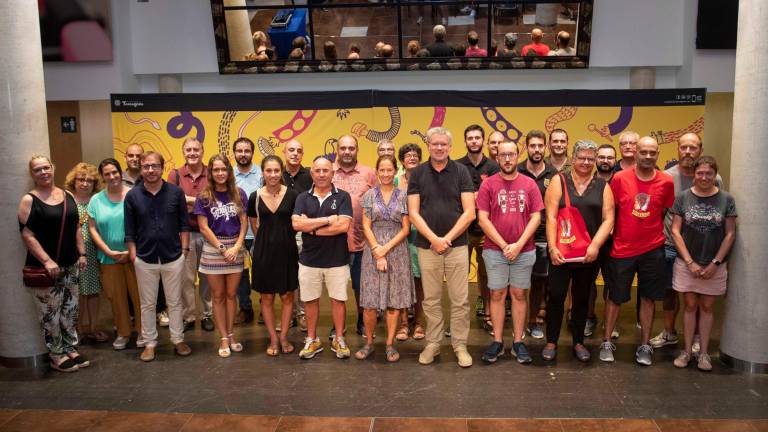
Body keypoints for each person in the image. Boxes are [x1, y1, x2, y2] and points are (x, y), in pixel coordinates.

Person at [599, 137, 674, 366]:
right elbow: (611, 211)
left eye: (652, 152)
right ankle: (606, 341)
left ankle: (644, 345)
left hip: (653, 249)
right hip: (623, 248)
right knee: (615, 297)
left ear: (658, 154)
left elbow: (662, 212)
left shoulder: (667, 181)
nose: (648, 156)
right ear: (636, 153)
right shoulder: (620, 179)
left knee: (648, 298)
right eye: (644, 152)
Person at [408, 127, 476, 368]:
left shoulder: (462, 172)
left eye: (443, 144)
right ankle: (433, 343)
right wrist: (434, 240)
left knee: (460, 300)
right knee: (431, 299)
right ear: (428, 145)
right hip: (427, 247)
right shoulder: (416, 173)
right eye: (434, 144)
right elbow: (413, 213)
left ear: (450, 147)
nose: (439, 148)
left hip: (457, 246)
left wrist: (446, 238)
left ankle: (460, 345)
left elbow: (470, 212)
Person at [543, 140, 614, 362]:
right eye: (582, 157)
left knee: (582, 298)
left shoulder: (603, 186)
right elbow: (551, 216)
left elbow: (609, 219)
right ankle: (551, 341)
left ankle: (578, 342)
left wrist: (595, 246)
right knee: (555, 296)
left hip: (587, 254)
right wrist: (553, 247)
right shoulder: (558, 180)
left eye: (590, 158)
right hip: (560, 253)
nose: (586, 162)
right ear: (573, 159)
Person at [652, 133, 722, 351]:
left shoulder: (713, 178)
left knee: (700, 294)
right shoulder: (665, 177)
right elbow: (659, 212)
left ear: (700, 149)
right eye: (684, 147)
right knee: (669, 291)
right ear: (677, 149)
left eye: (693, 148)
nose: (688, 152)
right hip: (671, 244)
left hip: (701, 246)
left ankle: (699, 337)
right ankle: (669, 332)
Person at [18, 155, 88, 372]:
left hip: (71, 264)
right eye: (37, 170)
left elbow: (75, 226)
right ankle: (56, 354)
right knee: (50, 313)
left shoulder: (67, 196)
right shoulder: (30, 200)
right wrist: (47, 260)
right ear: (32, 174)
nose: (43, 172)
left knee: (70, 309)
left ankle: (70, 347)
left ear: (53, 168)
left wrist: (82, 253)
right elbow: (27, 235)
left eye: (46, 167)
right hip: (45, 268)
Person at [477, 142, 543, 364]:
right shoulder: (488, 185)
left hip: (524, 251)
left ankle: (517, 342)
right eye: (502, 154)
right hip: (495, 251)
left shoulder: (530, 184)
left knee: (519, 294)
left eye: (511, 154)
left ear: (518, 156)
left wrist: (518, 244)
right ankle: (497, 341)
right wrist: (505, 244)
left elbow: (536, 217)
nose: (507, 159)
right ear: (497, 157)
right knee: (496, 295)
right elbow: (482, 218)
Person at [670, 156, 736, 372]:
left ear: (715, 174)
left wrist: (715, 263)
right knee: (689, 306)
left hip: (714, 265)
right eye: (700, 173)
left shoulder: (726, 199)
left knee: (707, 307)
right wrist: (690, 262)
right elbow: (675, 231)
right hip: (687, 262)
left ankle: (704, 353)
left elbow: (730, 234)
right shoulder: (682, 197)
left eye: (709, 173)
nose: (704, 177)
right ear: (695, 175)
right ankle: (687, 351)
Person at [125, 151, 192, 362]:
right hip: (144, 258)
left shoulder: (175, 193)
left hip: (174, 256)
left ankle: (178, 339)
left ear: (163, 168)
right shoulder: (132, 196)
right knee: (147, 304)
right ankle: (150, 343)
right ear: (141, 168)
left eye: (155, 166)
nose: (151, 170)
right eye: (146, 166)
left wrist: (184, 251)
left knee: (175, 302)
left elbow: (184, 224)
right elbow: (129, 229)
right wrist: (134, 255)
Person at [292, 157, 353, 360]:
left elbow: (343, 226)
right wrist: (327, 220)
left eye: (325, 170)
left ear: (332, 173)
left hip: (337, 260)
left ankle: (339, 338)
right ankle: (312, 339)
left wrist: (312, 227)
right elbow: (297, 225)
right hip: (309, 260)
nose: (321, 174)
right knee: (310, 301)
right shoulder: (302, 198)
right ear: (312, 174)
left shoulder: (343, 197)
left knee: (338, 300)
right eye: (317, 170)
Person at [356, 155, 415, 362]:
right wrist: (376, 250)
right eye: (382, 170)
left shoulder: (403, 196)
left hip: (397, 251)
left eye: (390, 170)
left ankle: (389, 344)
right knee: (370, 302)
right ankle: (370, 342)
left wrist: (385, 249)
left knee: (393, 300)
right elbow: (365, 225)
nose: (386, 174)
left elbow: (406, 228)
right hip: (372, 250)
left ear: (395, 171)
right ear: (377, 171)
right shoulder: (369, 196)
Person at [193, 154, 248, 357]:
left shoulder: (239, 193)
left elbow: (244, 222)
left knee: (232, 295)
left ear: (229, 171)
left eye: (223, 169)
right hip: (214, 250)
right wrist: (222, 248)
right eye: (216, 169)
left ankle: (232, 333)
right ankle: (223, 337)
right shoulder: (204, 196)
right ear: (211, 172)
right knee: (218, 296)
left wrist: (238, 246)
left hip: (235, 248)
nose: (220, 173)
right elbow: (203, 226)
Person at [88, 159, 142, 350]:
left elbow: (142, 225)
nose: (112, 177)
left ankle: (144, 332)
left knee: (140, 296)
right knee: (116, 298)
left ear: (121, 173)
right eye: (107, 174)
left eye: (115, 172)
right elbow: (92, 228)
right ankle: (123, 333)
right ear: (102, 177)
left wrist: (131, 251)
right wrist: (108, 251)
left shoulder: (134, 195)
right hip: (109, 257)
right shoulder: (96, 200)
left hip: (135, 255)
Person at [249, 155, 299, 356]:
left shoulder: (294, 195)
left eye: (276, 171)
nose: (272, 175)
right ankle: (273, 338)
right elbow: (255, 225)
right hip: (264, 252)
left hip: (287, 251)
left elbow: (297, 224)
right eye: (268, 171)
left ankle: (284, 336)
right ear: (263, 172)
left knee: (288, 296)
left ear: (282, 172)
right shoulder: (255, 196)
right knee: (266, 297)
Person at [168, 137, 214, 332]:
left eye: (196, 149)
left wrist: (186, 200)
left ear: (202, 151)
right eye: (189, 150)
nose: (192, 153)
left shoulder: (212, 173)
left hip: (208, 233)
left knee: (207, 277)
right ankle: (188, 316)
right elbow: (171, 201)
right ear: (183, 152)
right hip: (184, 235)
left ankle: (207, 314)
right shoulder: (175, 175)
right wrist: (199, 200)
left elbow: (214, 201)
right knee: (186, 278)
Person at [333, 135, 376, 337]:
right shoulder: (328, 172)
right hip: (333, 242)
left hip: (362, 242)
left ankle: (361, 320)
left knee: (360, 286)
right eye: (343, 148)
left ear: (357, 150)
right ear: (337, 149)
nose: (347, 151)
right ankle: (338, 324)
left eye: (351, 148)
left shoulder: (369, 173)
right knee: (336, 287)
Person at [457, 125, 499, 330]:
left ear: (483, 141)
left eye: (477, 138)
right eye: (470, 138)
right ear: (465, 141)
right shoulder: (456, 166)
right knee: (459, 276)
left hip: (486, 230)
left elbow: (496, 197)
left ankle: (489, 316)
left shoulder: (493, 167)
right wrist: (476, 197)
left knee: (486, 275)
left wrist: (475, 197)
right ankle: (459, 320)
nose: (474, 141)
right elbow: (454, 197)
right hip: (462, 230)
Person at [518, 130, 557, 339]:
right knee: (519, 286)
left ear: (545, 148)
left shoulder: (554, 174)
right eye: (532, 146)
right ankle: (521, 324)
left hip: (544, 238)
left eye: (540, 146)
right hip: (520, 240)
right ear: (527, 147)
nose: (536, 150)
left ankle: (534, 323)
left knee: (542, 285)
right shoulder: (516, 171)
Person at [65, 163, 107, 344]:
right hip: (71, 252)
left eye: (90, 180)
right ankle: (78, 328)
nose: (85, 183)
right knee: (77, 292)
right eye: (81, 179)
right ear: (74, 181)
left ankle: (93, 327)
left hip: (93, 252)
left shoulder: (97, 200)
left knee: (92, 291)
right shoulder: (66, 199)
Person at [396, 144, 426, 341]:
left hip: (421, 238)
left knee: (419, 283)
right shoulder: (396, 180)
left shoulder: (427, 180)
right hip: (399, 238)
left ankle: (420, 324)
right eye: (408, 155)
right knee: (401, 283)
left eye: (415, 155)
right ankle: (403, 324)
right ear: (402, 160)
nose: (412, 158)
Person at [283, 139, 313, 332]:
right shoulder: (276, 174)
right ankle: (289, 314)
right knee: (286, 275)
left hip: (304, 233)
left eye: (299, 151)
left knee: (303, 275)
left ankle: (302, 313)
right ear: (284, 152)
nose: (295, 153)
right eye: (291, 150)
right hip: (283, 233)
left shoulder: (310, 175)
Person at [232, 137, 263, 325]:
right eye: (239, 151)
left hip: (259, 231)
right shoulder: (228, 175)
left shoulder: (261, 173)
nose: (243, 154)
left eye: (247, 151)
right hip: (237, 234)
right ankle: (245, 308)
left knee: (261, 271)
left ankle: (263, 306)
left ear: (252, 153)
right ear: (234, 153)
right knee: (240, 274)